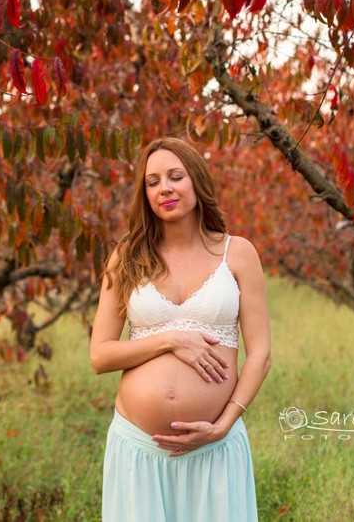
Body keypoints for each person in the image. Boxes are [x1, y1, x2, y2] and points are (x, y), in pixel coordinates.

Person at [90, 136, 272, 521]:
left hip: (214, 451)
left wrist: (224, 425)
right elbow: (100, 355)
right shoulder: (126, 256)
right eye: (152, 181)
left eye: (175, 176)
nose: (165, 188)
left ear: (196, 182)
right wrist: (171, 340)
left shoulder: (237, 253)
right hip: (138, 448)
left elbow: (260, 354)